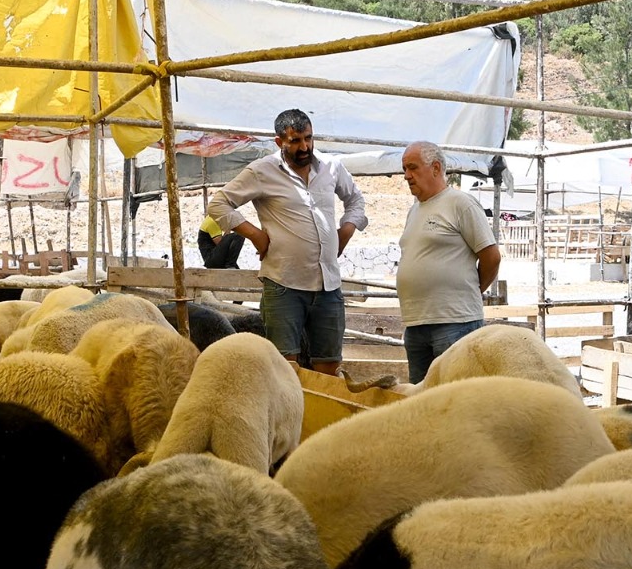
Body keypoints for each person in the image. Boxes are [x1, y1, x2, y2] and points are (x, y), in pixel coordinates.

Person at [206, 108, 366, 375]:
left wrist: (347, 230)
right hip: (284, 286)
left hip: (328, 286)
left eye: (308, 138)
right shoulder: (261, 171)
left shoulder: (332, 167)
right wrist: (255, 235)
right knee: (284, 369)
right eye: (295, 141)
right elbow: (219, 204)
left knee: (328, 365)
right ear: (279, 142)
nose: (304, 147)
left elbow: (355, 200)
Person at [395, 140, 502, 384]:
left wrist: (472, 292)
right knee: (422, 402)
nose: (406, 176)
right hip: (416, 323)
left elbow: (491, 256)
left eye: (412, 168)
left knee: (456, 399)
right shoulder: (414, 211)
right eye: (404, 169)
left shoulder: (460, 203)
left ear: (435, 168)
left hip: (455, 322)